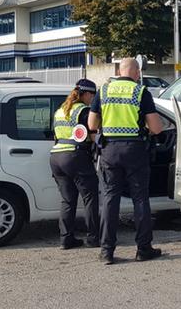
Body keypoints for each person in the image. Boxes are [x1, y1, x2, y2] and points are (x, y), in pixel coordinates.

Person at [88, 58, 164, 265]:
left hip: (110, 151)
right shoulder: (141, 92)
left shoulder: (103, 91)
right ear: (136, 72)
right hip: (135, 151)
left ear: (119, 71)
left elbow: (91, 123)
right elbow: (156, 128)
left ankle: (106, 252)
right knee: (140, 199)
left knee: (110, 200)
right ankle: (143, 249)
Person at [49, 79, 100, 250]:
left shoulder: (60, 111)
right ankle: (93, 238)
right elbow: (93, 135)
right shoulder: (84, 111)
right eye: (92, 95)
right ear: (86, 94)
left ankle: (66, 239)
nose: (93, 99)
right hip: (75, 155)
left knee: (67, 200)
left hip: (56, 157)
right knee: (90, 198)